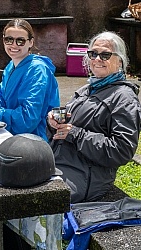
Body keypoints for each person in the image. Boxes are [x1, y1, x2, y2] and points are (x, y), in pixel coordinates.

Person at [47, 31, 141, 203]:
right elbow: (69, 125)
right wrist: (54, 121)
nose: (98, 59)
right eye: (93, 54)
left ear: (119, 61)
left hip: (84, 178)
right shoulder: (89, 88)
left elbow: (122, 150)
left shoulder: (124, 98)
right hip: (60, 164)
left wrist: (75, 134)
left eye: (105, 55)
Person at [0, 18, 60, 141]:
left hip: (34, 141)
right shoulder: (11, 66)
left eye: (20, 41)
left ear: (31, 42)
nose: (14, 45)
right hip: (13, 135)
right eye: (9, 39)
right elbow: (3, 103)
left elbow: (28, 119)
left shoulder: (37, 70)